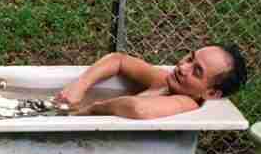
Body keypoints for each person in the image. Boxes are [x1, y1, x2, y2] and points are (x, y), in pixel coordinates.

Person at [54, 44, 248, 119]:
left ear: (211, 93)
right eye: (190, 58)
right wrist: (80, 85)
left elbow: (138, 109)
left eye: (197, 71)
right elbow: (118, 59)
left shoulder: (185, 102)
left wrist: (93, 109)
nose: (182, 67)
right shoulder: (166, 82)